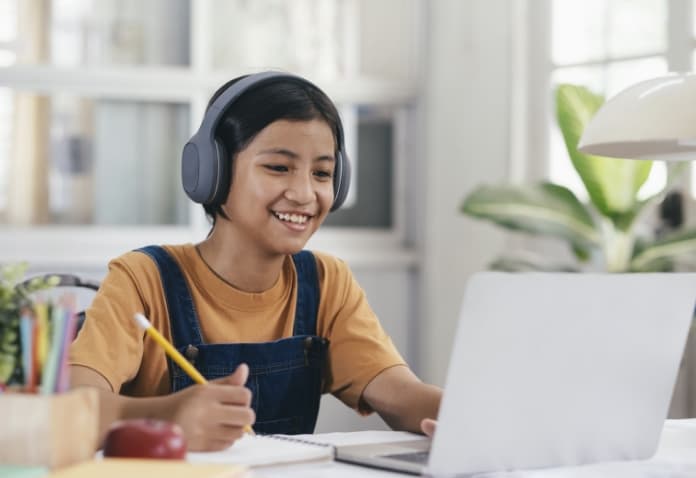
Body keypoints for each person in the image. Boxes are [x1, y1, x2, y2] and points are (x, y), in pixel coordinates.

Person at [69, 71, 441, 452]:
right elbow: (75, 408)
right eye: (279, 167)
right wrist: (169, 413)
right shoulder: (142, 280)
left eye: (322, 173)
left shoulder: (327, 281)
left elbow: (400, 394)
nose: (303, 193)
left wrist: (468, 414)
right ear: (212, 171)